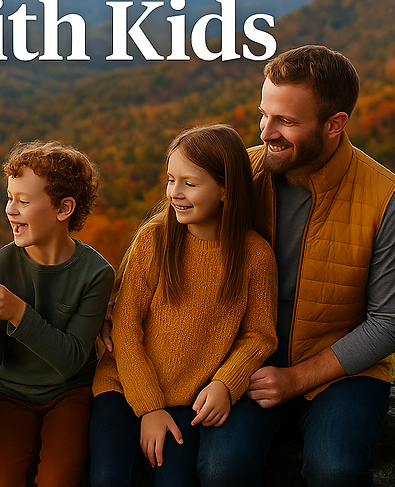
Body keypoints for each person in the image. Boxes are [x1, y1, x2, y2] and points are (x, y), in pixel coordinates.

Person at [199, 45, 395, 487]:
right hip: (247, 356)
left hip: (342, 369)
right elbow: (168, 238)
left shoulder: (387, 201)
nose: (266, 132)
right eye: (264, 114)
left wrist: (296, 378)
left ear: (335, 124)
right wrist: (117, 300)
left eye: (286, 121)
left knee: (334, 471)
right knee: (221, 471)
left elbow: (393, 322)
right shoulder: (240, 173)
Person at [89, 123, 278, 487]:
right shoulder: (154, 240)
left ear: (226, 190)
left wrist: (226, 383)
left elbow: (260, 336)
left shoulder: (255, 255)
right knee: (109, 478)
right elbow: (125, 327)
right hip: (123, 387)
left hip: (188, 399)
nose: (175, 193)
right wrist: (149, 407)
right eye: (171, 179)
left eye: (190, 183)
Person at [0, 140, 113, 487]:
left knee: (59, 479)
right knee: (1, 481)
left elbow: (72, 359)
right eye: (9, 197)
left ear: (63, 208)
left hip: (70, 395)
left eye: (24, 201)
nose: (10, 210)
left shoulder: (95, 274)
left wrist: (17, 311)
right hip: (10, 395)